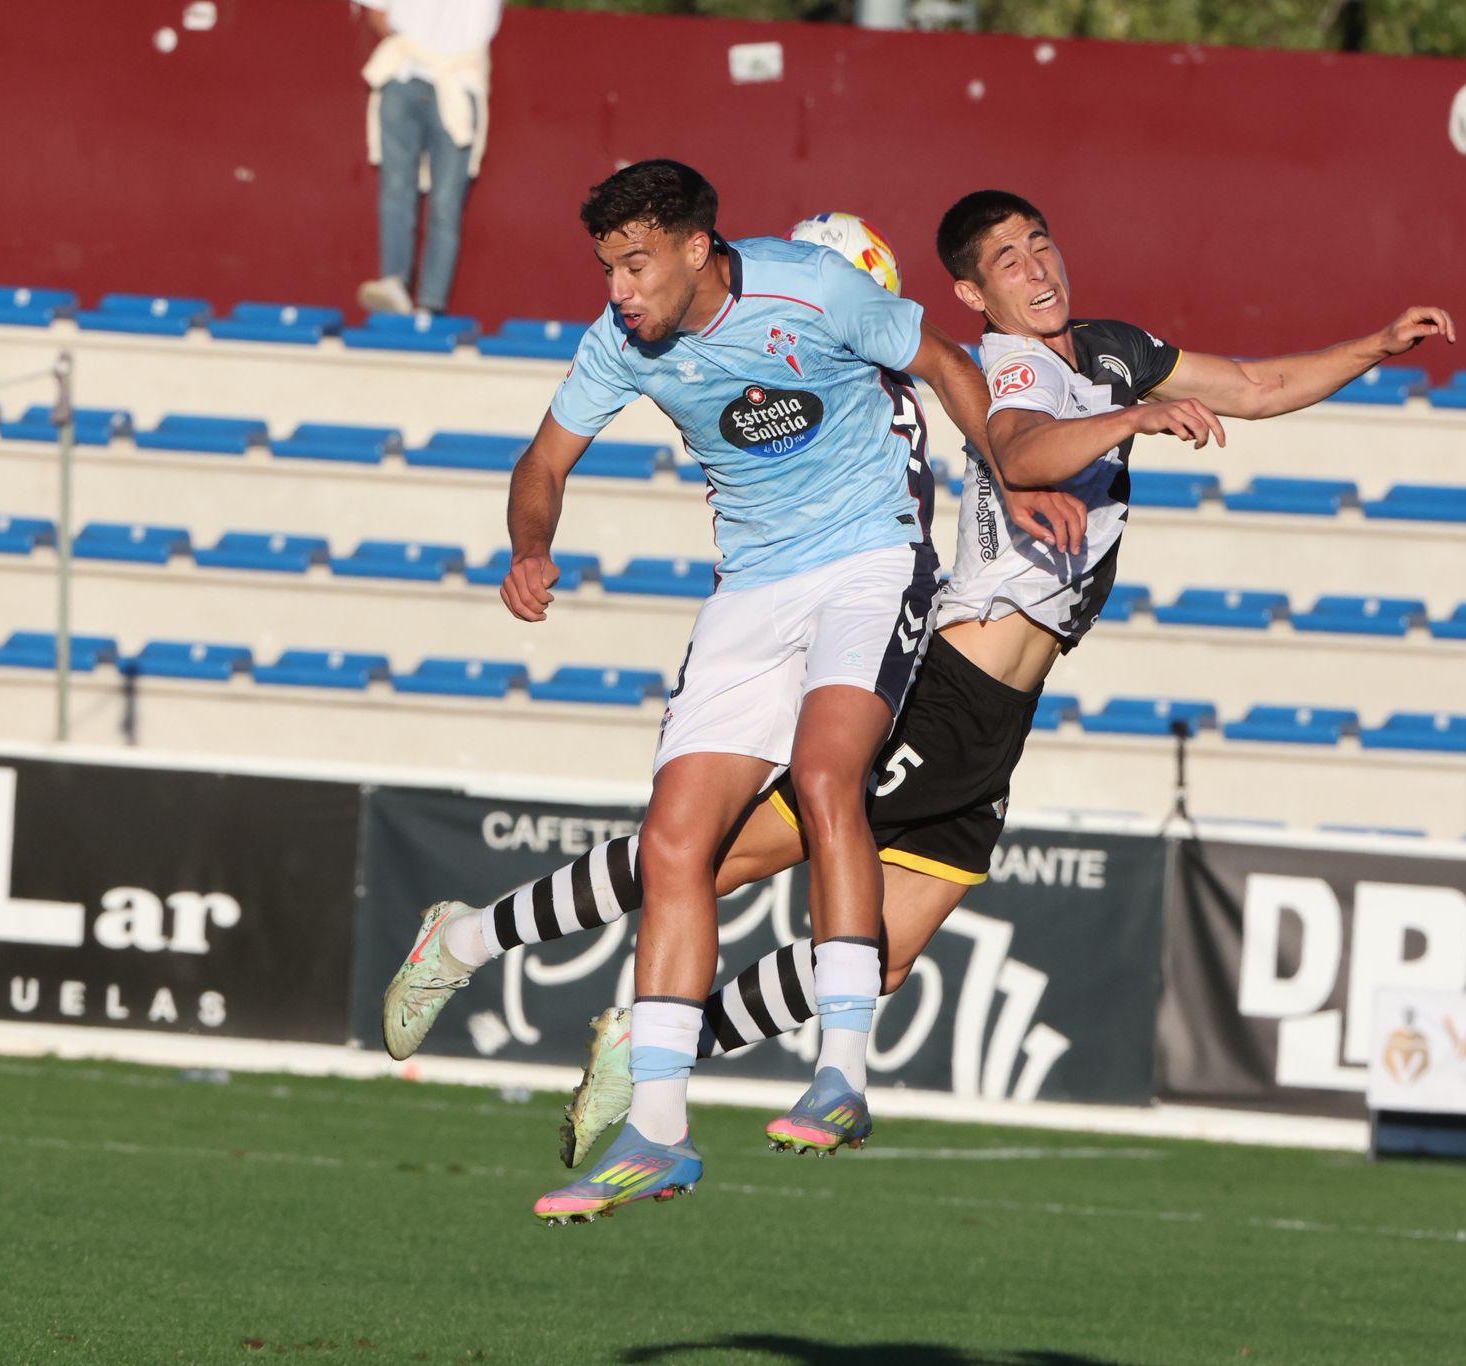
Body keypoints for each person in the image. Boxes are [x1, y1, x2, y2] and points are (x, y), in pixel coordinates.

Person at [384, 188, 1456, 1219]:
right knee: (707, 856)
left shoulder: (1115, 350)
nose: (1035, 268)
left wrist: (1368, 345)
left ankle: (665, 1041)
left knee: (879, 957)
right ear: (968, 297)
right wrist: (1136, 417)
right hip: (942, 690)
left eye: (1040, 244)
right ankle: (473, 937)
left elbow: (1259, 389)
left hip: (998, 728)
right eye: (1005, 259)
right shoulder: (1003, 371)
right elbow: (1023, 447)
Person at [386, 160, 1070, 1226]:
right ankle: (656, 1132)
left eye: (633, 264)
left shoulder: (812, 286)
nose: (617, 289)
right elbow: (542, 461)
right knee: (670, 845)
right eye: (607, 267)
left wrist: (1017, 474)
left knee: (824, 770)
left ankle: (839, 1073)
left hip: (867, 563)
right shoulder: (617, 344)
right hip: (752, 587)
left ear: (696, 249)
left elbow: (939, 356)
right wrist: (529, 547)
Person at [355, 0, 501, 317]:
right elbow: (377, 13)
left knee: (426, 198)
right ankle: (403, 292)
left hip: (449, 80)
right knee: (423, 197)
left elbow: (377, 16)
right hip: (417, 75)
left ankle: (425, 303)